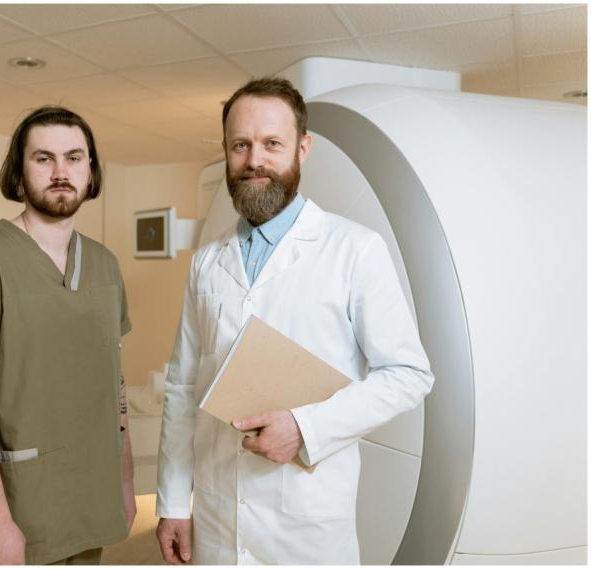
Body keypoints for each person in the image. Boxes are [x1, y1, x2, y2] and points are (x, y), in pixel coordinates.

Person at [155, 77, 434, 565]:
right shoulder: (207, 261)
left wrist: (305, 427)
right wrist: (174, 504)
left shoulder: (355, 250)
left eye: (271, 144)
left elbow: (409, 376)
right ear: (226, 150)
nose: (253, 160)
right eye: (240, 145)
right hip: (218, 520)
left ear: (302, 149)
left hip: (307, 524)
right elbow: (182, 387)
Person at [0, 106, 136, 565]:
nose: (61, 171)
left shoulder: (104, 264)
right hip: (21, 505)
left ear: (91, 171)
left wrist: (123, 480)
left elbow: (112, 382)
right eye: (43, 158)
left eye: (74, 158)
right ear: (19, 174)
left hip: (91, 496)